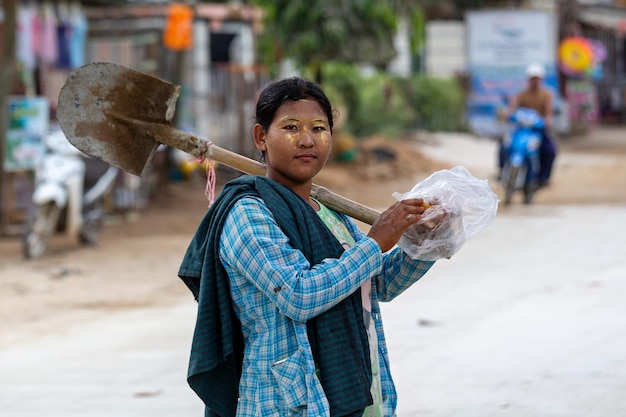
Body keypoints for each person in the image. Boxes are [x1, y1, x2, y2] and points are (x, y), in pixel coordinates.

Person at [178, 77, 438, 417]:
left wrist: (430, 243)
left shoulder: (330, 213)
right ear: (261, 137)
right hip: (286, 401)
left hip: (356, 387)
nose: (306, 140)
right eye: (290, 127)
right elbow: (299, 294)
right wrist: (376, 242)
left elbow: (376, 283)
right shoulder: (246, 214)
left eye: (319, 128)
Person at [499, 63, 557, 187]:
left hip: (537, 130)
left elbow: (548, 113)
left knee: (550, 150)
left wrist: (548, 121)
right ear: (528, 79)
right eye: (532, 79)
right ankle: (501, 171)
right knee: (504, 145)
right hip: (521, 130)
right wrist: (507, 114)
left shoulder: (546, 95)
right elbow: (512, 107)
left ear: (541, 80)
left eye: (537, 79)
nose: (535, 81)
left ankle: (543, 178)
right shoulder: (522, 94)